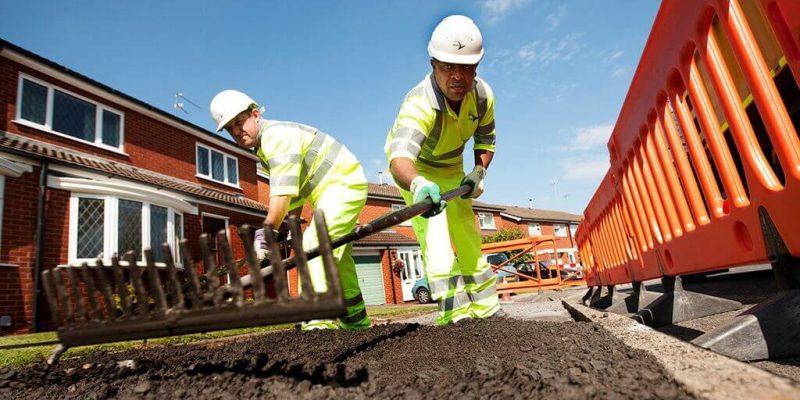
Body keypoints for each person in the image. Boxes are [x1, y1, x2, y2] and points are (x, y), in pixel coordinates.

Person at [210, 90, 369, 330]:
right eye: (230, 128)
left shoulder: (276, 138)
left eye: (239, 123)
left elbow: (282, 196)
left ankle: (317, 324)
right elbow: (293, 198)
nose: (236, 132)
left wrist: (266, 233)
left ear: (255, 114)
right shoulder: (265, 149)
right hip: (330, 190)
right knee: (337, 258)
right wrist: (290, 233)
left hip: (343, 184)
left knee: (315, 246)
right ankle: (357, 324)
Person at [384, 15, 501, 325]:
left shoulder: (483, 96)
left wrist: (479, 171)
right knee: (435, 238)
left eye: (465, 67)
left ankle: (487, 310)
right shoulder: (418, 104)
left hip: (454, 167)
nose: (457, 77)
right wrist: (418, 184)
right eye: (448, 67)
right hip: (417, 171)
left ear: (477, 66)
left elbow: (486, 139)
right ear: (433, 64)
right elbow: (399, 159)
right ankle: (456, 318)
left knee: (466, 232)